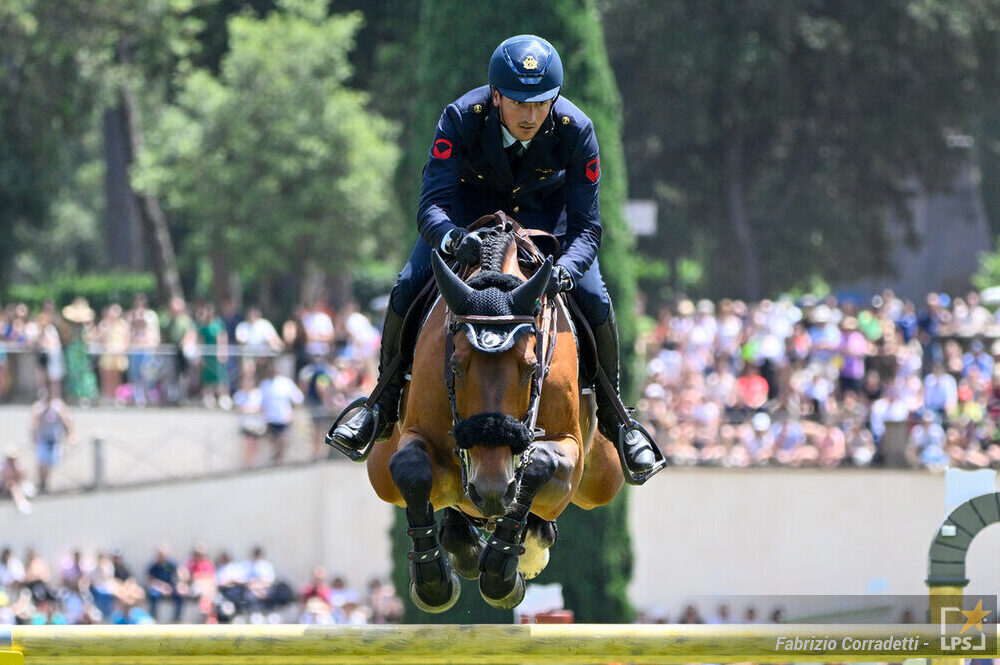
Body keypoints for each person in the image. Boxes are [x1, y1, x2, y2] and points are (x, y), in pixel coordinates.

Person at [331, 34, 659, 478]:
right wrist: (449, 239)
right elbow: (431, 205)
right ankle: (381, 406)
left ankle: (619, 422)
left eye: (542, 103)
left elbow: (587, 227)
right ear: (496, 94)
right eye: (520, 103)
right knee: (408, 284)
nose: (531, 115)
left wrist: (565, 270)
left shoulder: (576, 129)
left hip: (549, 224)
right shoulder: (462, 118)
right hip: (468, 217)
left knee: (595, 297)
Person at [29, 389, 77, 493]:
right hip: (43, 439)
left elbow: (67, 421)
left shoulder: (58, 407)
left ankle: (46, 483)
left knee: (51, 462)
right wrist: (33, 438)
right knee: (41, 462)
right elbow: (33, 423)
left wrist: (71, 435)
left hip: (54, 439)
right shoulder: (39, 407)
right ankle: (41, 482)